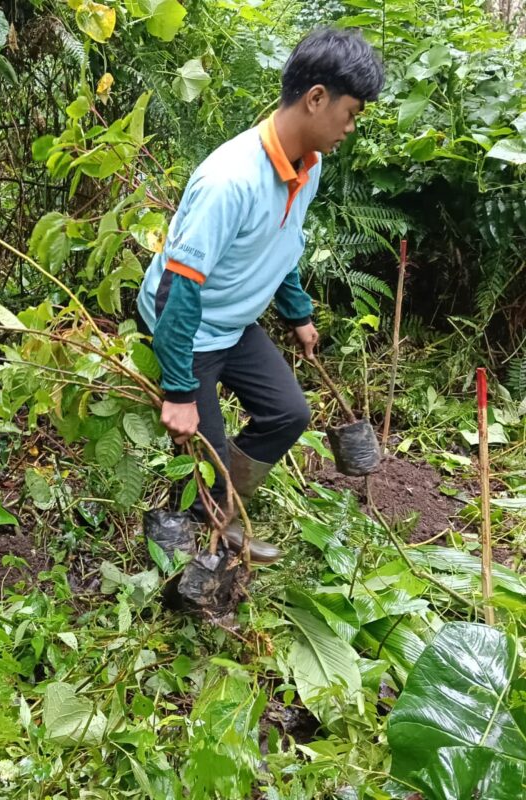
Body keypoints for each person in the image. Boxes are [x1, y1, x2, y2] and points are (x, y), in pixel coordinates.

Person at [137, 29, 384, 562]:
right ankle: (186, 539)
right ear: (316, 98)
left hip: (233, 321)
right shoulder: (230, 181)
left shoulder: (309, 164)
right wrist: (179, 391)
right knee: (203, 441)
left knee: (289, 413)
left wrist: (297, 312)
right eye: (351, 112)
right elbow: (180, 289)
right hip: (188, 321)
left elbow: (282, 241)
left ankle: (214, 514)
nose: (351, 127)